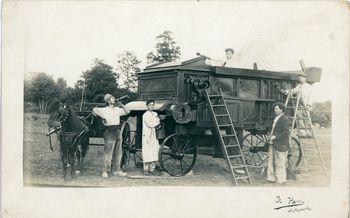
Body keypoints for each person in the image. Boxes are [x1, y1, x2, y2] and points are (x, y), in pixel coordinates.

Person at [92, 94, 130, 178]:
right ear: (108, 101)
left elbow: (128, 111)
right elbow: (94, 110)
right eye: (112, 98)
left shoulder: (117, 109)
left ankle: (116, 170)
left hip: (117, 131)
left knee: (118, 152)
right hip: (109, 131)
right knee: (108, 152)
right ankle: (105, 171)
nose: (115, 99)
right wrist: (103, 118)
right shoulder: (104, 110)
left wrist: (122, 105)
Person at [280, 72, 313, 137]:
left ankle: (309, 133)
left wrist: (309, 105)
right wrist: (285, 91)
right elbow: (293, 91)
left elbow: (311, 97)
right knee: (299, 119)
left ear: (305, 78)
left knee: (306, 118)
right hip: (299, 105)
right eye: (300, 78)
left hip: (306, 105)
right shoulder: (299, 86)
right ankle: (302, 133)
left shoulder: (309, 87)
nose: (300, 79)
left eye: (302, 78)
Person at [266, 102, 290, 184]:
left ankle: (281, 179)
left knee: (280, 162)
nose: (274, 110)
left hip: (280, 144)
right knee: (270, 161)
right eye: (274, 108)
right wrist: (270, 135)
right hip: (273, 143)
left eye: (276, 109)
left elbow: (286, 132)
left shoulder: (284, 119)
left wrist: (275, 137)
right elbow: (273, 129)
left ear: (281, 110)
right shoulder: (276, 118)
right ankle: (271, 178)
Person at [142, 99, 162, 175]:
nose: (152, 106)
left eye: (153, 105)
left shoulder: (155, 113)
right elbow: (150, 124)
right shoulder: (145, 115)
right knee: (147, 150)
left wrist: (157, 120)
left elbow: (156, 120)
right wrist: (157, 121)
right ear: (147, 106)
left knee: (154, 149)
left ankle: (152, 168)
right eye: (150, 105)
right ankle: (146, 169)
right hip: (147, 134)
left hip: (153, 133)